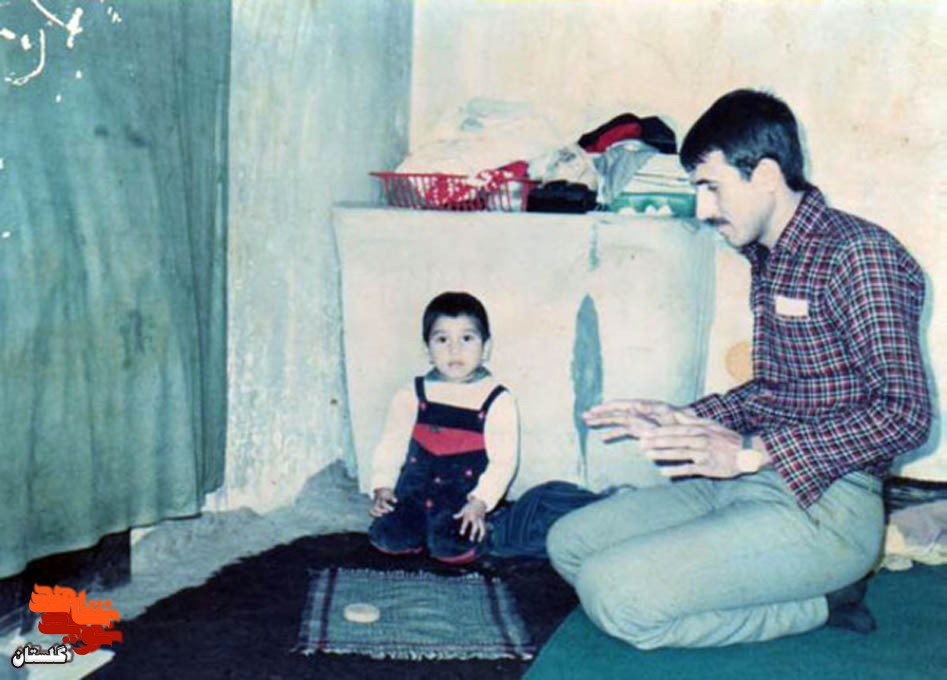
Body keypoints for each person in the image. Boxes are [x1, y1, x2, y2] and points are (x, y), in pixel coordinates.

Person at [547, 89, 932, 649]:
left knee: (614, 596)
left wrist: (754, 452)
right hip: (746, 479)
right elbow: (776, 391)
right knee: (568, 545)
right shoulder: (769, 255)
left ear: (767, 175)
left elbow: (907, 415)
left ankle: (824, 603)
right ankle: (747, 568)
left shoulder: (859, 255)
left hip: (828, 506)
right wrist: (684, 417)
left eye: (712, 187)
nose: (704, 210)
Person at [368, 291, 519, 564]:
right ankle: (411, 524)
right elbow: (391, 444)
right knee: (387, 538)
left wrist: (480, 502)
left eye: (467, 338)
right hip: (414, 495)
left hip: (461, 502)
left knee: (451, 548)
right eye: (442, 339)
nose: (454, 350)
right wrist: (382, 487)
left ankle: (487, 522)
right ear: (427, 350)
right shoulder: (411, 393)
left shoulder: (497, 399)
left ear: (486, 348)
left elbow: (503, 462)